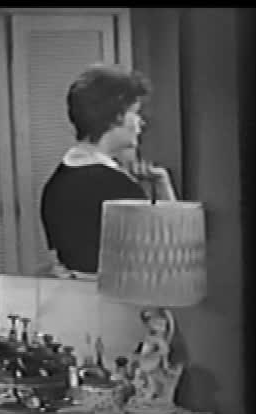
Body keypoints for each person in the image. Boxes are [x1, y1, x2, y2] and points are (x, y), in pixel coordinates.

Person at [40, 64, 176, 277]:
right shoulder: (117, 188)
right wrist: (164, 187)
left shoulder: (58, 180)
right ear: (116, 117)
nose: (141, 122)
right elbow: (169, 253)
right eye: (135, 113)